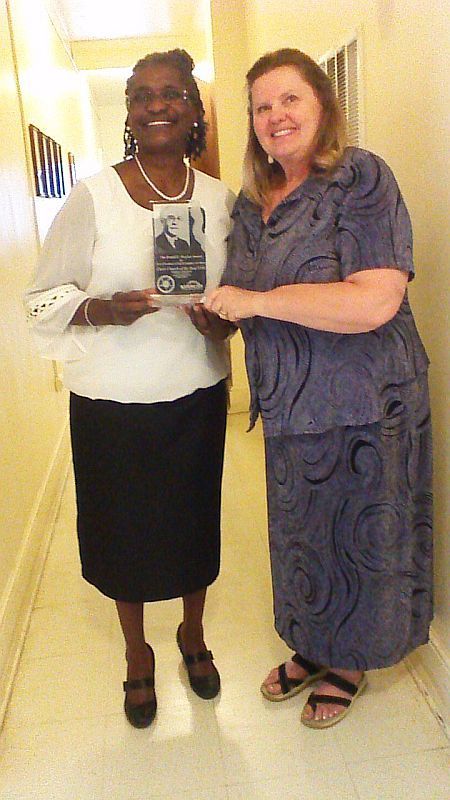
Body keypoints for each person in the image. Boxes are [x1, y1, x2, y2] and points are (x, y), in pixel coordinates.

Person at [205, 48, 432, 729]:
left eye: (289, 100)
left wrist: (255, 302)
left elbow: (373, 302)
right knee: (302, 535)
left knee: (359, 536)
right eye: (261, 107)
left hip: (366, 401)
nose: (275, 116)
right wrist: (210, 307)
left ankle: (351, 662)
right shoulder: (251, 204)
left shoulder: (360, 178)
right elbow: (239, 295)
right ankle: (312, 644)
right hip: (288, 407)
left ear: (322, 107)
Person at [25, 49, 235, 729]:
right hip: (111, 403)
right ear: (128, 111)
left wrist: (220, 323)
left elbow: (236, 304)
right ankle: (137, 653)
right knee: (124, 536)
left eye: (173, 93)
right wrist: (101, 308)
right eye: (142, 94)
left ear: (195, 111)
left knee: (194, 528)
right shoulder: (92, 195)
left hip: (196, 394)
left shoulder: (221, 200)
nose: (157, 105)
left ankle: (192, 635)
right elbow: (41, 299)